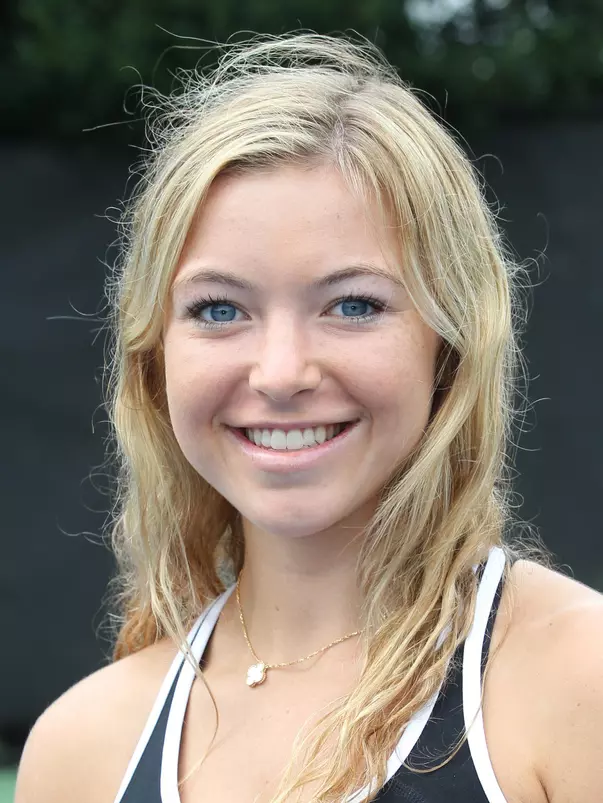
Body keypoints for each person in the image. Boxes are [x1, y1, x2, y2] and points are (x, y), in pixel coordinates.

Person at [15, 32, 603, 803]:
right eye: (219, 308)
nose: (282, 372)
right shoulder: (81, 749)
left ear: (450, 343)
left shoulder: (574, 676)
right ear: (154, 355)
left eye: (352, 304)